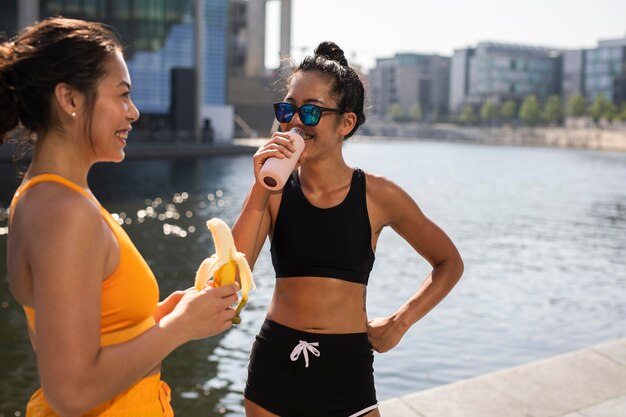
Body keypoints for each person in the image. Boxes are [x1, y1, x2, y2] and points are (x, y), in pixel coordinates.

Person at [1, 17, 239, 417]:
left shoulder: (52, 197)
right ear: (71, 100)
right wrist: (179, 328)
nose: (134, 112)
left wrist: (165, 316)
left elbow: (89, 333)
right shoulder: (64, 212)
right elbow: (72, 392)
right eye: (123, 95)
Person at [232, 41, 465, 417]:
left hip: (347, 368)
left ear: (346, 122)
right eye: (287, 109)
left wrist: (400, 322)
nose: (294, 121)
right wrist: (261, 188)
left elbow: (448, 262)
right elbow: (232, 278)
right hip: (275, 365)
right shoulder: (272, 191)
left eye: (310, 111)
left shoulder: (379, 195)